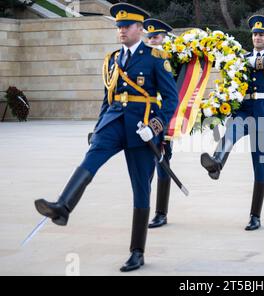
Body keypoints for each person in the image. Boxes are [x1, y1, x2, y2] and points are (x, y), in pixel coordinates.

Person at [33, 3, 178, 272]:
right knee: (92, 158)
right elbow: (107, 97)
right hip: (113, 122)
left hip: (141, 126)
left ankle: (137, 251)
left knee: (140, 188)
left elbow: (172, 99)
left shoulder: (156, 58)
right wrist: (99, 126)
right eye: (119, 27)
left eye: (126, 27)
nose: (121, 31)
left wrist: (156, 126)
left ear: (139, 29)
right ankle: (63, 206)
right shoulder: (112, 58)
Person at [200, 15, 264, 231]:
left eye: (261, 34)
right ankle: (217, 163)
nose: (257, 37)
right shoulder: (241, 57)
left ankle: (255, 216)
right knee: (231, 132)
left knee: (260, 166)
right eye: (255, 34)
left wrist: (252, 62)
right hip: (244, 109)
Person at [143, 18, 175, 229]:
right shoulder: (144, 58)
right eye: (150, 37)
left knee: (162, 159)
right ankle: (144, 209)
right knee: (147, 163)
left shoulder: (175, 57)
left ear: (165, 37)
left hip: (166, 116)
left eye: (156, 36)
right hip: (146, 117)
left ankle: (161, 213)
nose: (153, 40)